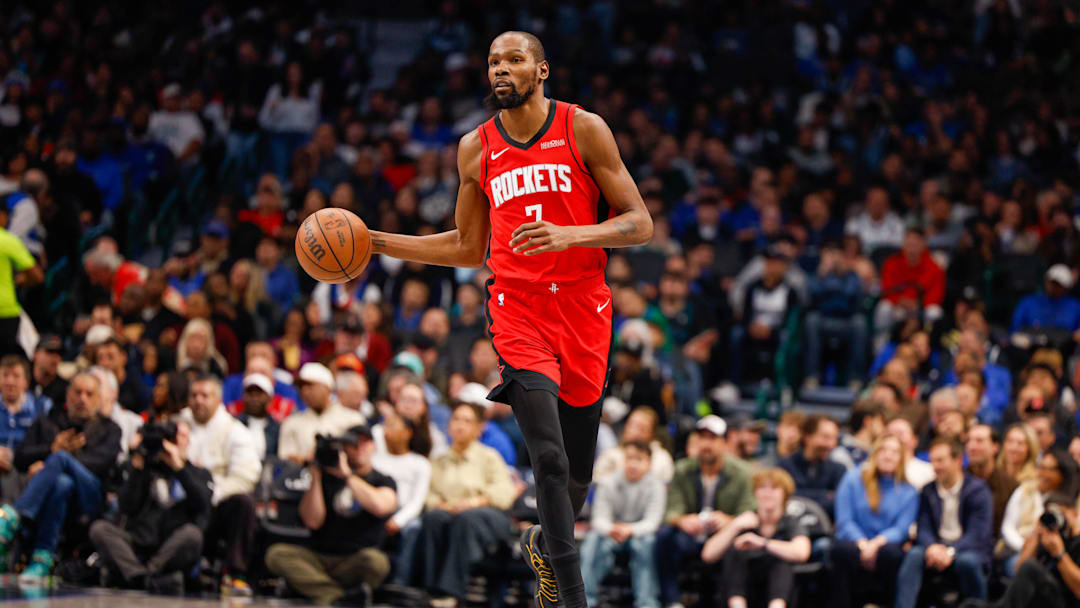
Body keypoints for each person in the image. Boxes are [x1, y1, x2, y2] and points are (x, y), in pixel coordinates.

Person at [367, 30, 654, 608]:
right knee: (545, 456)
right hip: (517, 310)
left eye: (514, 60)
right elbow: (470, 247)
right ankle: (571, 599)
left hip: (584, 309)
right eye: (494, 61)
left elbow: (639, 223)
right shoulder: (475, 147)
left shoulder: (583, 128)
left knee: (573, 477)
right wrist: (374, 241)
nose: (501, 69)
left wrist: (570, 234)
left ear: (541, 70)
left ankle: (547, 548)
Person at [0, 372, 121, 582]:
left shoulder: (109, 428)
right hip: (56, 493)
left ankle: (12, 517)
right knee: (61, 484)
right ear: (68, 394)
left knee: (61, 460)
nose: (82, 398)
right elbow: (19, 457)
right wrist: (51, 449)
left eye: (89, 394)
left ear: (98, 399)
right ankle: (42, 559)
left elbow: (101, 464)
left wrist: (52, 463)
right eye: (77, 392)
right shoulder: (49, 421)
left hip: (92, 496)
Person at [265, 424, 397, 606]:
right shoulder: (326, 477)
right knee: (277, 554)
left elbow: (381, 506)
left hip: (357, 559)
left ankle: (319, 590)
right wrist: (316, 476)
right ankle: (337, 597)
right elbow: (312, 521)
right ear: (344, 448)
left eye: (364, 443)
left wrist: (348, 476)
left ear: (374, 446)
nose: (358, 448)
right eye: (353, 443)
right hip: (318, 557)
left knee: (377, 562)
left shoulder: (382, 480)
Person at [89, 421, 213, 594]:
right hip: (136, 543)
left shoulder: (198, 473)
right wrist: (138, 469)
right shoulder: (141, 468)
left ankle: (140, 577)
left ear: (189, 441)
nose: (173, 443)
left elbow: (203, 506)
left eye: (180, 437)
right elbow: (127, 507)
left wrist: (179, 469)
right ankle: (145, 578)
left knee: (193, 535)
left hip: (172, 546)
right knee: (100, 529)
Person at [417, 402, 518, 605]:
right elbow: (429, 495)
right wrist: (445, 506)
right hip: (451, 513)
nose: (460, 425)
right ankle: (430, 591)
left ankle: (452, 593)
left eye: (467, 421)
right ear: (448, 425)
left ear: (479, 428)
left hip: (488, 514)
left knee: (466, 518)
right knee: (433, 518)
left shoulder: (489, 457)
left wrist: (473, 502)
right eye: (456, 419)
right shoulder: (440, 459)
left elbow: (505, 493)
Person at [657, 415, 755, 608]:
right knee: (664, 536)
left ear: (725, 443)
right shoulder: (682, 469)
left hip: (725, 535)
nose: (706, 444)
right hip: (693, 534)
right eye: (702, 438)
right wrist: (682, 520)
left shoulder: (743, 472)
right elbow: (670, 510)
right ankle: (672, 601)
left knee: (740, 542)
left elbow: (750, 510)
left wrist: (729, 520)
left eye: (713, 439)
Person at [179, 375, 261, 596]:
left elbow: (247, 475)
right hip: (182, 501)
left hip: (216, 502)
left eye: (205, 395)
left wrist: (213, 493)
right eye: (194, 395)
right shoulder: (179, 424)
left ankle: (236, 574)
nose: (198, 400)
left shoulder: (235, 430)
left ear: (218, 400)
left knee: (243, 502)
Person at [895, 438, 994, 608]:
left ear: (958, 460)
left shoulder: (978, 490)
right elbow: (923, 526)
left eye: (941, 460)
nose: (936, 466)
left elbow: (978, 533)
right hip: (936, 547)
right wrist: (932, 547)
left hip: (966, 549)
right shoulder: (929, 490)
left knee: (968, 561)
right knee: (914, 555)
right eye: (933, 461)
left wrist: (951, 551)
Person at [830, 434, 919, 608]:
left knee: (892, 554)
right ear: (875, 453)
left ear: (901, 458)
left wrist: (875, 544)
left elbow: (901, 529)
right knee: (841, 550)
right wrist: (863, 544)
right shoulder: (852, 478)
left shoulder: (909, 491)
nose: (888, 455)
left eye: (894, 452)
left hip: (885, 545)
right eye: (884, 450)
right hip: (855, 541)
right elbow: (845, 520)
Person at [702, 467, 811, 608]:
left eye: (774, 488)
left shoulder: (791, 522)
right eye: (762, 488)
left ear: (785, 494)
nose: (767, 494)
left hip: (777, 591)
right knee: (735, 551)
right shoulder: (744, 520)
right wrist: (735, 525)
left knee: (781, 558)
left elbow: (802, 553)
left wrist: (763, 543)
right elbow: (708, 554)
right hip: (743, 589)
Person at [580, 440, 665, 608]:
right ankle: (585, 601)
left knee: (646, 544)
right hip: (611, 534)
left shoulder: (656, 485)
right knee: (592, 541)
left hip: (639, 535)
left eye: (639, 459)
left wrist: (630, 529)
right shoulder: (607, 482)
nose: (633, 463)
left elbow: (653, 522)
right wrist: (612, 529)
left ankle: (646, 603)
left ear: (649, 463)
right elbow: (599, 519)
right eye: (629, 458)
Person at [960, 492, 1080, 608]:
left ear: (1074, 514)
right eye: (1051, 514)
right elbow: (1019, 573)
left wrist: (1060, 554)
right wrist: (1035, 539)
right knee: (969, 605)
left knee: (1031, 566)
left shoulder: (1077, 542)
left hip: (1064, 601)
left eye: (1060, 514)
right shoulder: (1048, 539)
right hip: (1034, 601)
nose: (1057, 519)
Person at [372, 408, 432, 586]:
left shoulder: (420, 463)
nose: (385, 430)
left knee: (414, 527)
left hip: (406, 514)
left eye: (392, 426)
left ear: (407, 433)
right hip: (377, 508)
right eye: (385, 425)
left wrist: (399, 520)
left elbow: (417, 501)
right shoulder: (375, 460)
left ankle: (400, 582)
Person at [1000, 449, 1078, 577]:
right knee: (1025, 568)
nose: (1041, 473)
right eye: (1040, 467)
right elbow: (1007, 527)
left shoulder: (1073, 505)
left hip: (1067, 553)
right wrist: (1029, 541)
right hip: (1024, 548)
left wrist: (1059, 551)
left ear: (1062, 474)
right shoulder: (1026, 490)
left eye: (1048, 469)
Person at [278, 363, 365, 462]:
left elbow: (361, 460)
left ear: (327, 388)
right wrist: (308, 460)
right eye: (301, 387)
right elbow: (285, 462)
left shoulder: (353, 419)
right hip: (304, 475)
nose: (305, 391)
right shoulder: (291, 423)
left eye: (310, 385)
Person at [0, 355, 50, 501]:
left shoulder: (42, 406)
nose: (10, 381)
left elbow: (49, 444)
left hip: (27, 467)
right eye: (5, 375)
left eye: (16, 376)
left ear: (26, 382)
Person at [779, 415, 845, 516]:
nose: (831, 444)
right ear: (807, 437)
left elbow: (839, 504)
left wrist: (800, 494)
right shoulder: (785, 466)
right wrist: (825, 495)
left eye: (834, 438)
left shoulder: (838, 470)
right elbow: (784, 499)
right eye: (826, 437)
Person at [594, 406, 675, 483]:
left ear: (652, 433)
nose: (633, 431)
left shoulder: (661, 458)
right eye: (630, 425)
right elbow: (596, 484)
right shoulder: (611, 455)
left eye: (641, 428)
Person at [965, 424, 1018, 541]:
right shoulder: (959, 480)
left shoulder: (1010, 485)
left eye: (979, 441)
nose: (971, 446)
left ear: (995, 447)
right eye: (968, 441)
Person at [0, 216, 42, 358]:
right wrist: (18, 281)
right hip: (5, 312)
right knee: (8, 365)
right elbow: (37, 275)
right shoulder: (6, 240)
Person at [234, 373, 281, 462]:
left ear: (269, 398)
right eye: (250, 394)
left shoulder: (276, 429)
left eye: (259, 394)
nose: (254, 399)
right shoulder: (234, 425)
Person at [832, 400, 884, 471]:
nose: (883, 427)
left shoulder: (879, 451)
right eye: (880, 421)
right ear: (868, 421)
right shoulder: (842, 452)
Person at [887, 416, 936, 490]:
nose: (895, 438)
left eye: (900, 433)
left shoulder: (929, 471)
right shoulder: (871, 469)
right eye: (890, 434)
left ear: (914, 440)